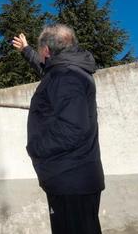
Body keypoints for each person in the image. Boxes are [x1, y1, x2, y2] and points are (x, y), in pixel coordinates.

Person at [12, 24, 104, 234]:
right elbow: (48, 69)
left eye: (41, 52)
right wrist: (27, 50)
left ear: (47, 50)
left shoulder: (67, 76)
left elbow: (73, 128)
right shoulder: (67, 71)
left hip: (71, 179)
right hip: (74, 177)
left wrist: (35, 148)